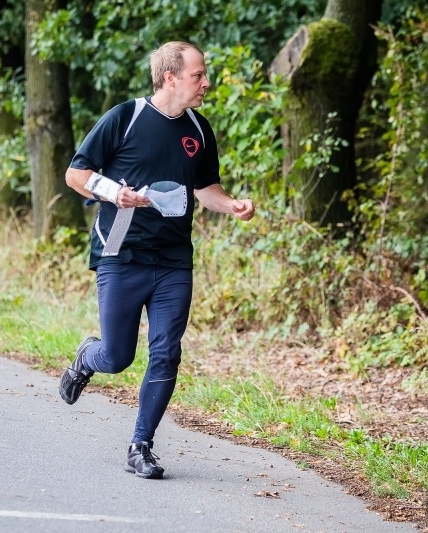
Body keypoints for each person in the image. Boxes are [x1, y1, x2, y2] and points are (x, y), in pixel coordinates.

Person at [60, 41, 255, 480]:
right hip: (121, 256)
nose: (206, 83)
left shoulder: (199, 130)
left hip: (173, 261)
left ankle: (140, 446)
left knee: (166, 353)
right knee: (117, 356)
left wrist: (234, 205)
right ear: (170, 77)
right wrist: (114, 192)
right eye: (198, 75)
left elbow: (206, 189)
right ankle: (85, 360)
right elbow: (76, 174)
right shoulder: (124, 118)